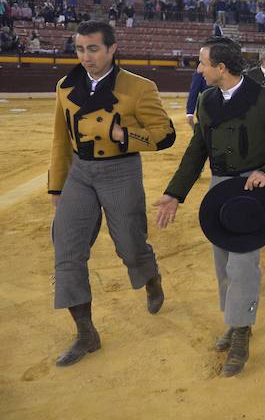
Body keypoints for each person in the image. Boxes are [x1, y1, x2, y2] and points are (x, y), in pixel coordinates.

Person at [154, 36, 265, 377]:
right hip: (219, 190)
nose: (199, 69)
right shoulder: (207, 100)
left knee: (243, 265)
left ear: (221, 67)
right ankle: (235, 324)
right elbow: (197, 151)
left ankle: (242, 333)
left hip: (252, 191)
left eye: (203, 63)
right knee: (222, 263)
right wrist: (175, 192)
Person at [48, 20, 176, 367]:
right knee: (67, 250)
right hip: (78, 173)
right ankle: (86, 333)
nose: (86, 57)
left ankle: (150, 276)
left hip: (120, 171)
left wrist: (123, 134)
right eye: (79, 49)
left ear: (112, 49)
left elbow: (165, 135)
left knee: (131, 246)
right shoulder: (66, 86)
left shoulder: (139, 87)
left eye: (93, 49)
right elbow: (61, 139)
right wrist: (57, 186)